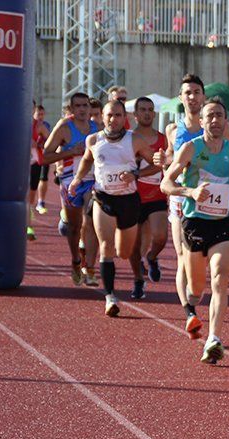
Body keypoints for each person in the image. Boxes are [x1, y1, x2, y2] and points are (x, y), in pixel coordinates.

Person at [161, 97, 229, 364]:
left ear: (225, 120)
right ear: (202, 121)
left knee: (220, 279)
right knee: (196, 288)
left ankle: (214, 338)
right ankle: (192, 303)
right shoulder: (190, 148)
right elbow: (166, 183)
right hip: (195, 222)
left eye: (219, 115)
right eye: (209, 116)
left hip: (222, 223)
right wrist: (190, 192)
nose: (215, 120)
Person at [69, 100, 158, 316]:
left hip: (128, 200)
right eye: (109, 115)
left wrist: (135, 174)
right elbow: (87, 161)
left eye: (118, 115)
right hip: (103, 198)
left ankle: (123, 274)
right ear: (101, 117)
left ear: (124, 118)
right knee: (106, 247)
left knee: (124, 251)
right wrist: (77, 179)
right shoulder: (93, 140)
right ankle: (110, 296)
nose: (113, 119)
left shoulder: (134, 140)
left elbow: (155, 165)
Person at [154, 74, 207, 336]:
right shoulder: (173, 130)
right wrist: (162, 159)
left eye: (197, 92)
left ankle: (193, 294)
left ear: (203, 97)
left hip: (208, 199)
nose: (192, 97)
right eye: (188, 92)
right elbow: (169, 161)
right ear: (181, 98)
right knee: (182, 255)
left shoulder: (213, 127)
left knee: (200, 258)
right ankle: (190, 313)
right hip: (180, 197)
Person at [43, 93, 100, 286]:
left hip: (92, 180)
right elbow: (45, 156)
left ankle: (90, 269)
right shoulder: (64, 128)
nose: (83, 109)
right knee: (74, 228)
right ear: (72, 109)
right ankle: (76, 260)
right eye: (78, 106)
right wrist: (70, 152)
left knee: (91, 220)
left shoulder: (97, 129)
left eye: (85, 105)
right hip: (70, 181)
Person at [129, 96, 169, 299]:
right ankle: (138, 280)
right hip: (132, 196)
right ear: (135, 115)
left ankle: (152, 257)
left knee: (161, 236)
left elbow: (168, 165)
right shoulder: (128, 138)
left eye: (150, 110)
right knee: (133, 246)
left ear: (154, 114)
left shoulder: (163, 139)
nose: (147, 113)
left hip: (157, 196)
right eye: (142, 109)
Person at [28, 104, 51, 239]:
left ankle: (30, 209)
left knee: (31, 191)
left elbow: (51, 141)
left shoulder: (39, 126)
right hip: (17, 162)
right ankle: (28, 226)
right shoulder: (15, 121)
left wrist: (39, 144)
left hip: (34, 161)